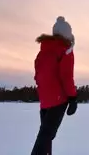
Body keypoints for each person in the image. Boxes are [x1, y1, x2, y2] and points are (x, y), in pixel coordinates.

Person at [31, 16, 78, 155]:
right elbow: (66, 76)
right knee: (46, 136)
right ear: (67, 34)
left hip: (45, 100)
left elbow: (37, 75)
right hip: (58, 100)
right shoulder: (66, 50)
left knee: (45, 136)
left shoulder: (43, 50)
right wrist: (73, 98)